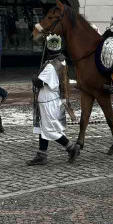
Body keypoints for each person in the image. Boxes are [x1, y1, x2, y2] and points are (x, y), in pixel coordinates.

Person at [29, 34, 80, 165]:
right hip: (50, 99)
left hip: (48, 100)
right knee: (43, 127)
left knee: (50, 129)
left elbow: (39, 83)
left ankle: (71, 147)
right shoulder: (62, 60)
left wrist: (34, 77)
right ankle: (42, 155)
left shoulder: (52, 66)